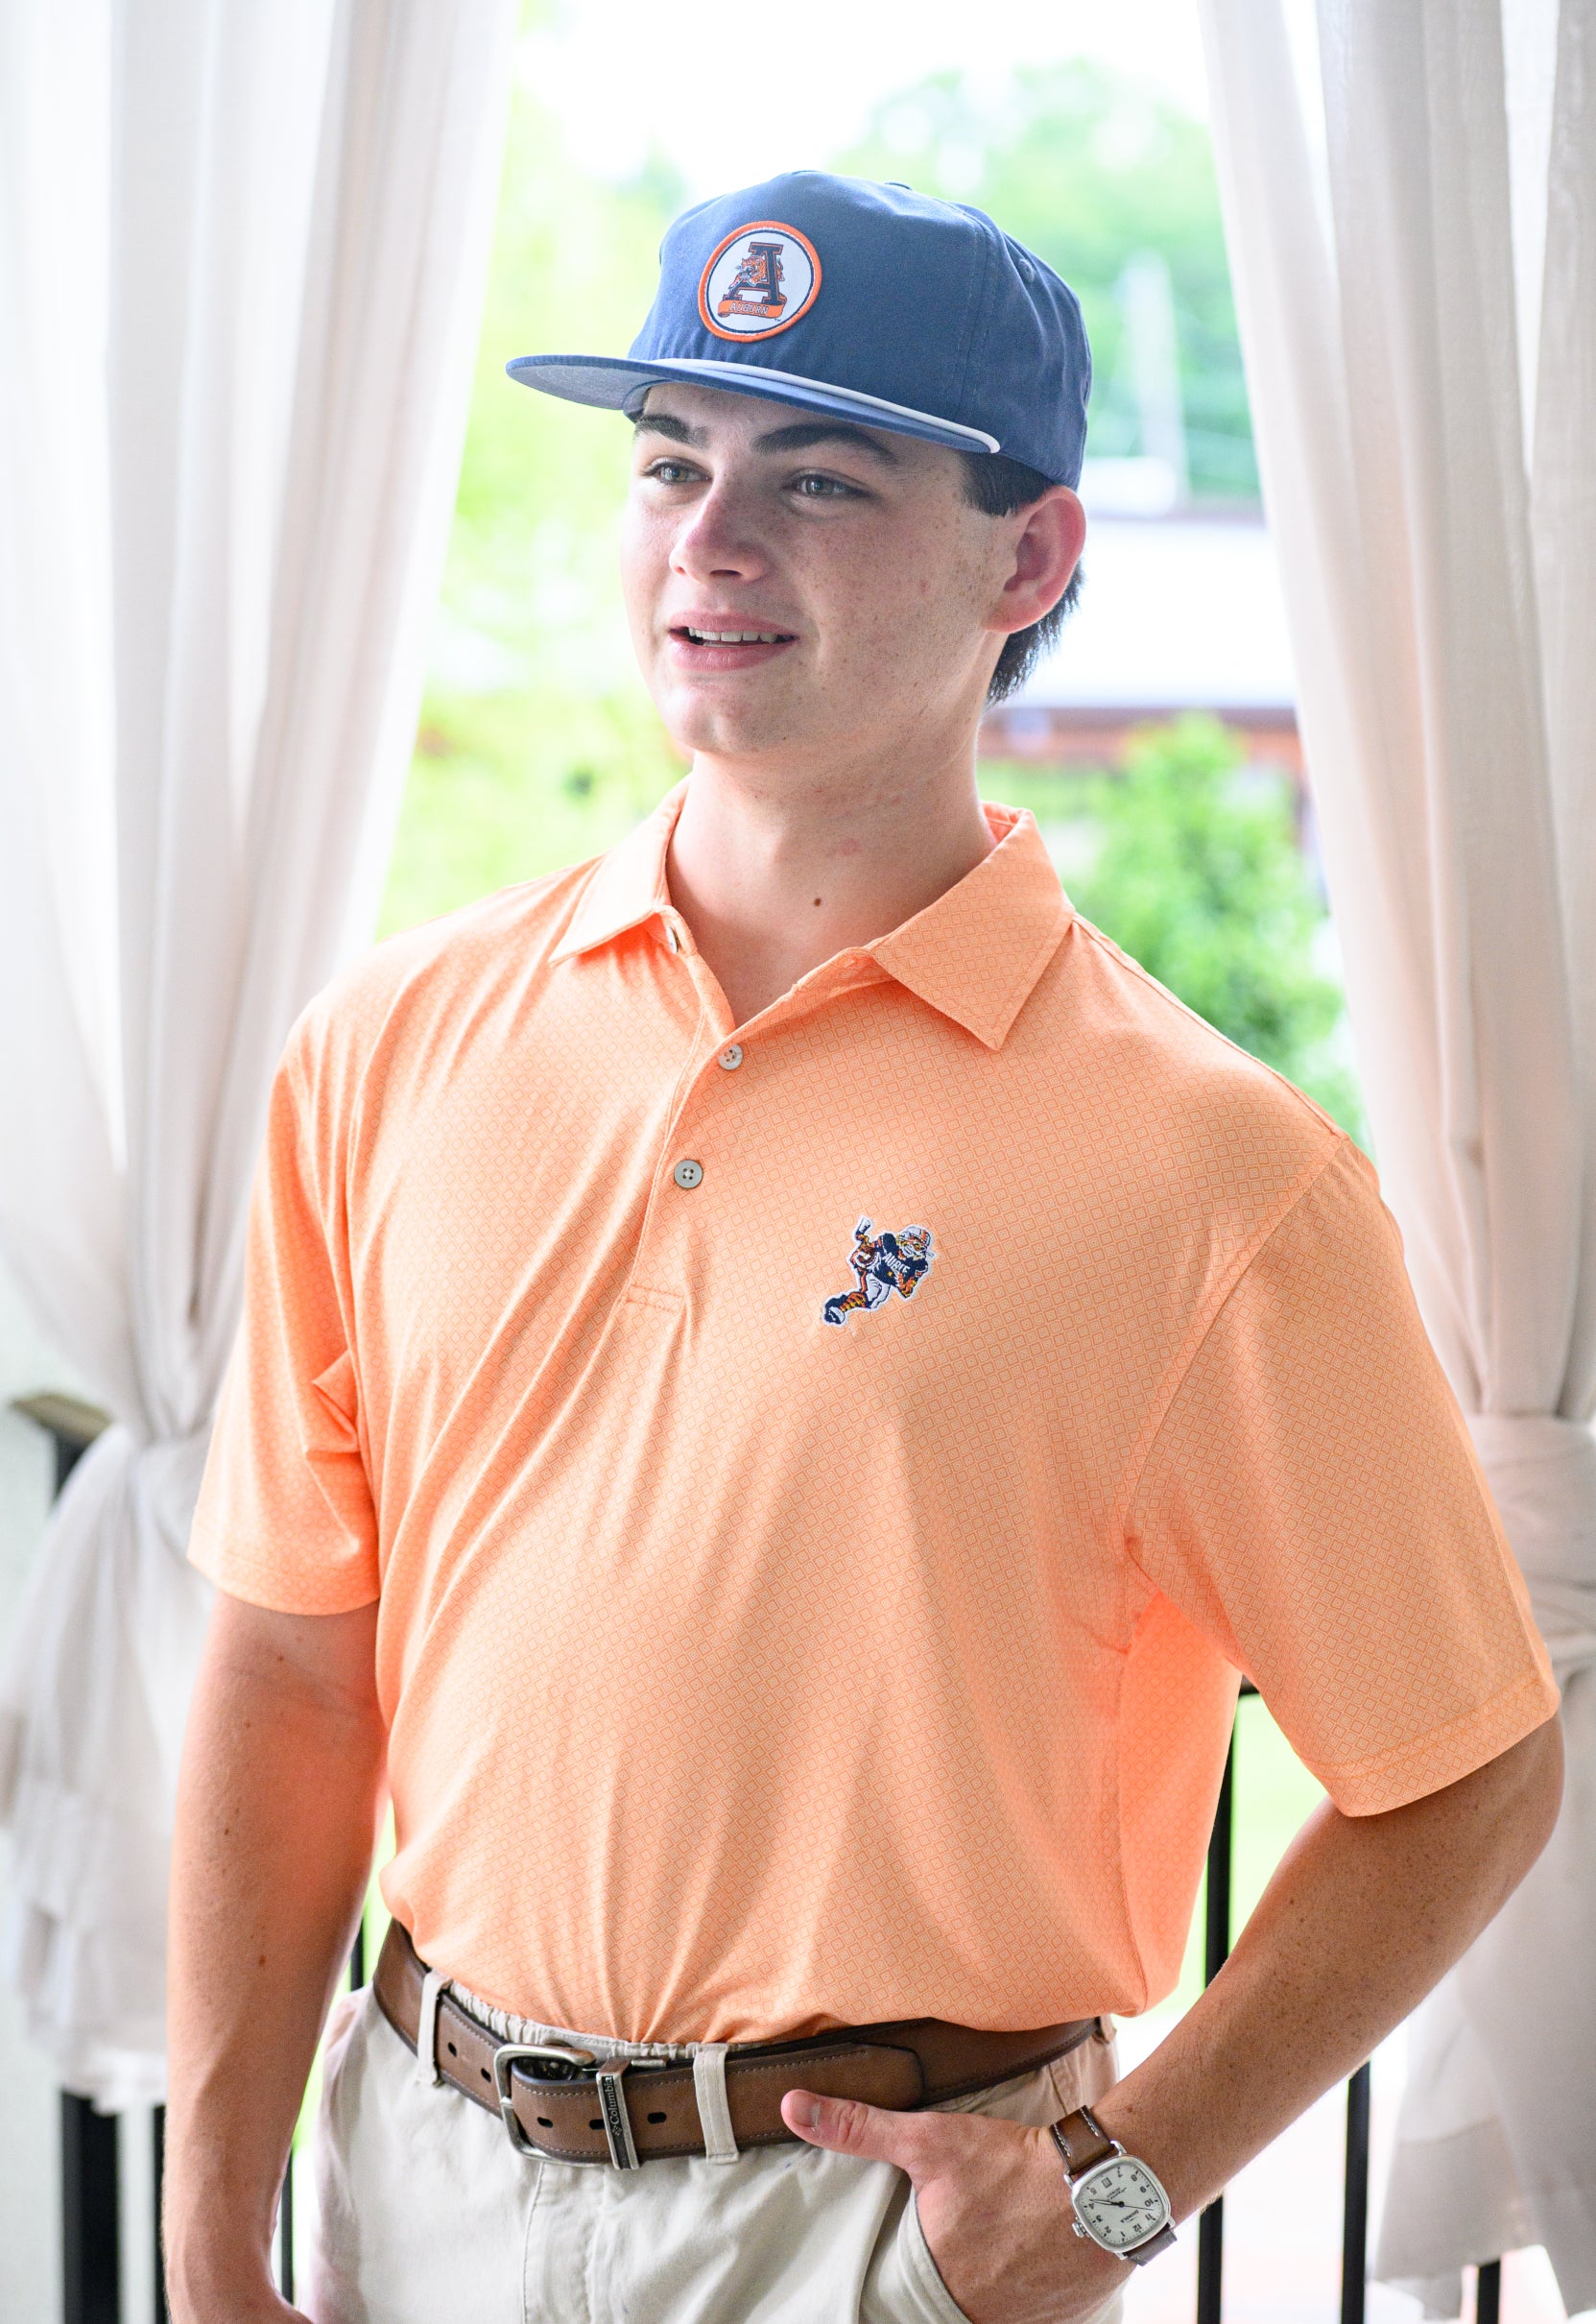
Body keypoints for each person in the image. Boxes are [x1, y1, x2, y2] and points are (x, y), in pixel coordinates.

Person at [162, 174, 1560, 2324]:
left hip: (874, 2238)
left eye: (815, 479)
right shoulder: (387, 1043)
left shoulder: (1215, 1175)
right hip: (412, 2172)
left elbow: (1469, 1769)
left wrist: (1117, 2188)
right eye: (669, 464)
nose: (710, 539)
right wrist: (208, 2234)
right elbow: (286, 1664)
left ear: (1032, 557)